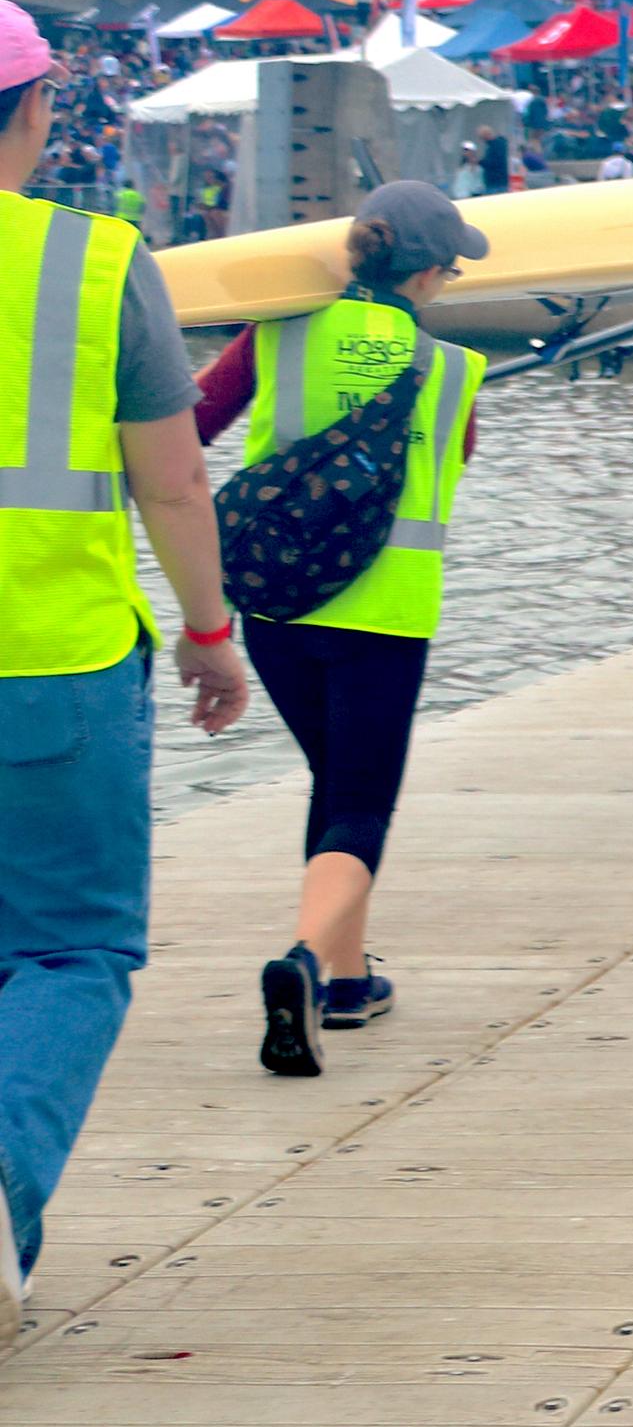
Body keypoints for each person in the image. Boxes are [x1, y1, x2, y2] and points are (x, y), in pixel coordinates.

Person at [0, 0, 251, 1337]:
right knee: (69, 948)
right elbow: (174, 481)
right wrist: (210, 636)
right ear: (38, 113)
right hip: (54, 667)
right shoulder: (94, 265)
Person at [188, 181, 488, 1075]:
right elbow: (457, 459)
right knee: (361, 803)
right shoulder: (453, 371)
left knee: (334, 780)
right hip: (385, 618)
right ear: (427, 276)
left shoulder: (275, 335)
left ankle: (350, 981)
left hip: (276, 607)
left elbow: (191, 422)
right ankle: (307, 964)